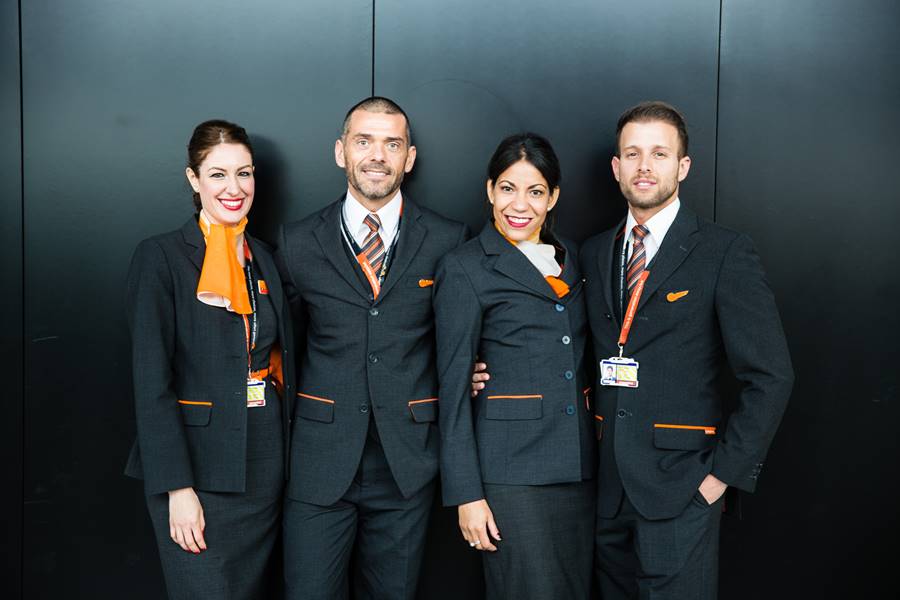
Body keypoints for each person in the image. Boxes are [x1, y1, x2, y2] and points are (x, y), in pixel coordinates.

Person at [580, 101, 794, 599]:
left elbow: (771, 376)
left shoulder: (723, 252)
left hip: (682, 489)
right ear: (616, 168)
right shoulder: (594, 251)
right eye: (632, 154)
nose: (644, 166)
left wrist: (719, 478)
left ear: (684, 166)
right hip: (606, 491)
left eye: (659, 153)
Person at [275, 97, 469, 600]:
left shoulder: (448, 239)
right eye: (364, 141)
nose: (377, 155)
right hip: (318, 461)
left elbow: (459, 338)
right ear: (341, 151)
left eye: (392, 143)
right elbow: (285, 346)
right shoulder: (296, 242)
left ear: (410, 157)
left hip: (407, 463)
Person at [124, 119, 295, 598]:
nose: (234, 188)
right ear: (193, 180)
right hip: (195, 470)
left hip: (263, 464)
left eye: (244, 173)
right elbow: (151, 383)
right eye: (217, 174)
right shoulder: (160, 257)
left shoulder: (264, 258)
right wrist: (177, 489)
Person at [434, 133, 597, 599]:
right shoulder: (465, 267)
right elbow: (452, 388)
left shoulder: (574, 256)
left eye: (535, 191)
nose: (519, 204)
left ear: (554, 198)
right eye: (507, 188)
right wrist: (467, 494)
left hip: (579, 469)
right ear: (489, 190)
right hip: (511, 475)